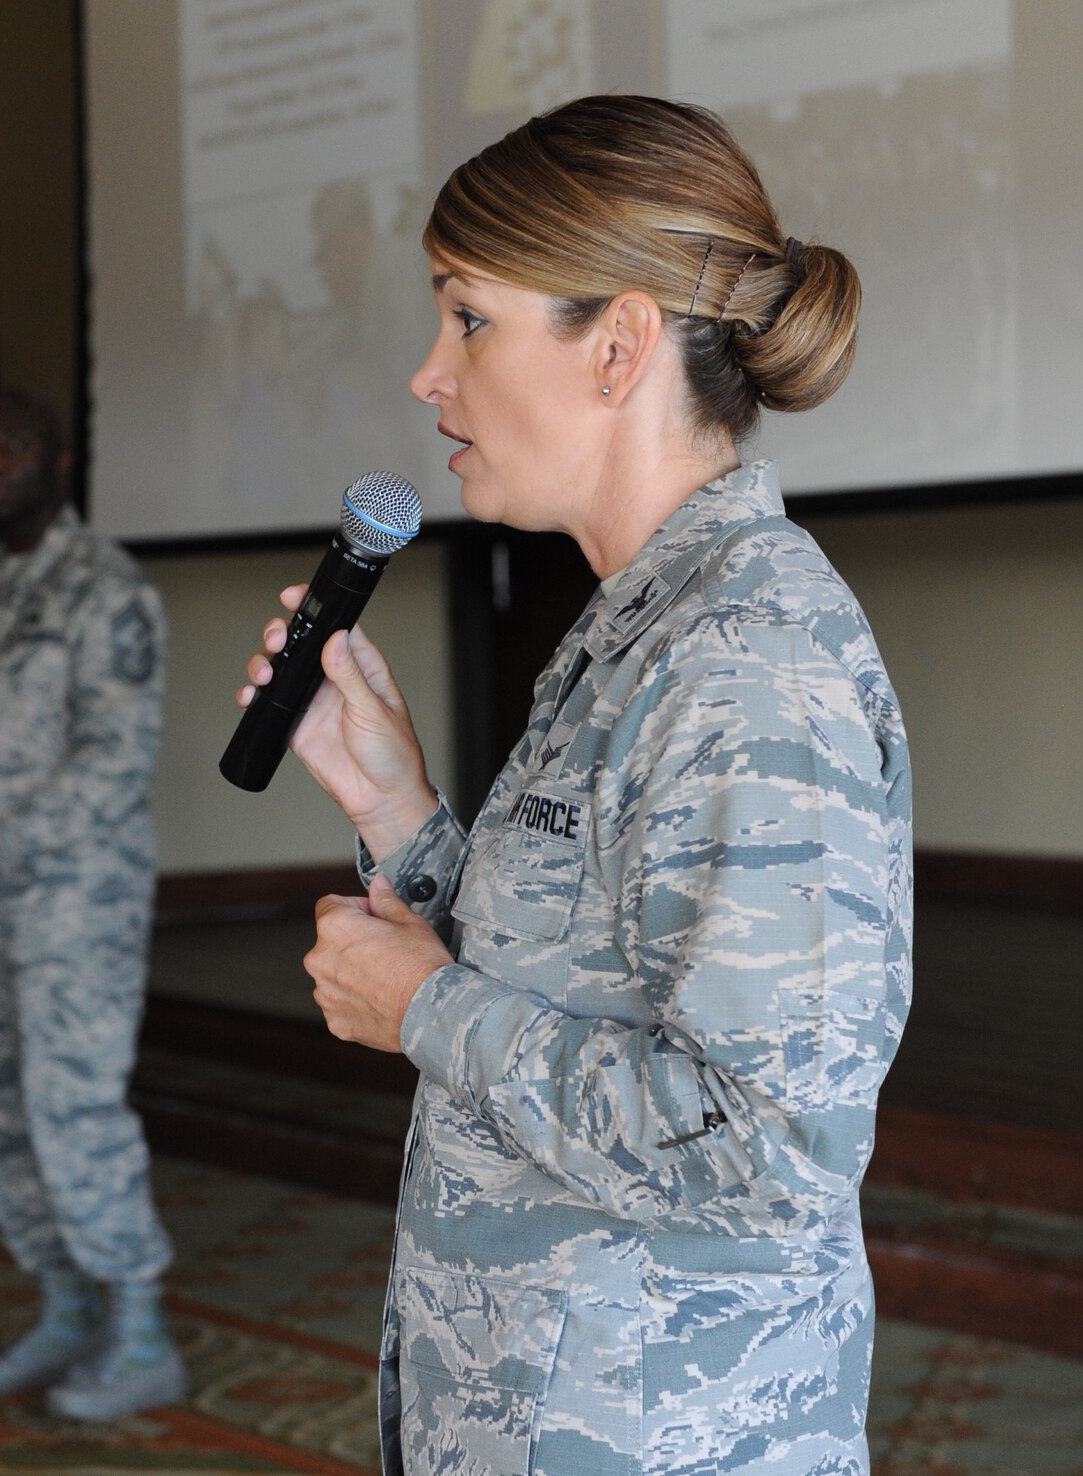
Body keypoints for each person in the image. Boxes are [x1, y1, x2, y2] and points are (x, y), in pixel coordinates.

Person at [239, 96, 908, 1474]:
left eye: (468, 319)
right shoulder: (640, 622)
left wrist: (424, 1008)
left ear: (617, 345)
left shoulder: (745, 659)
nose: (431, 375)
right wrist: (402, 820)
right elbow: (584, 975)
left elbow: (767, 1153)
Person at [0, 391, 186, 1421]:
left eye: (14, 445)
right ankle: (64, 1304)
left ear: (59, 463)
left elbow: (117, 757)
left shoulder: (106, 590)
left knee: (68, 1107)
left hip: (75, 900)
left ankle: (139, 1328)